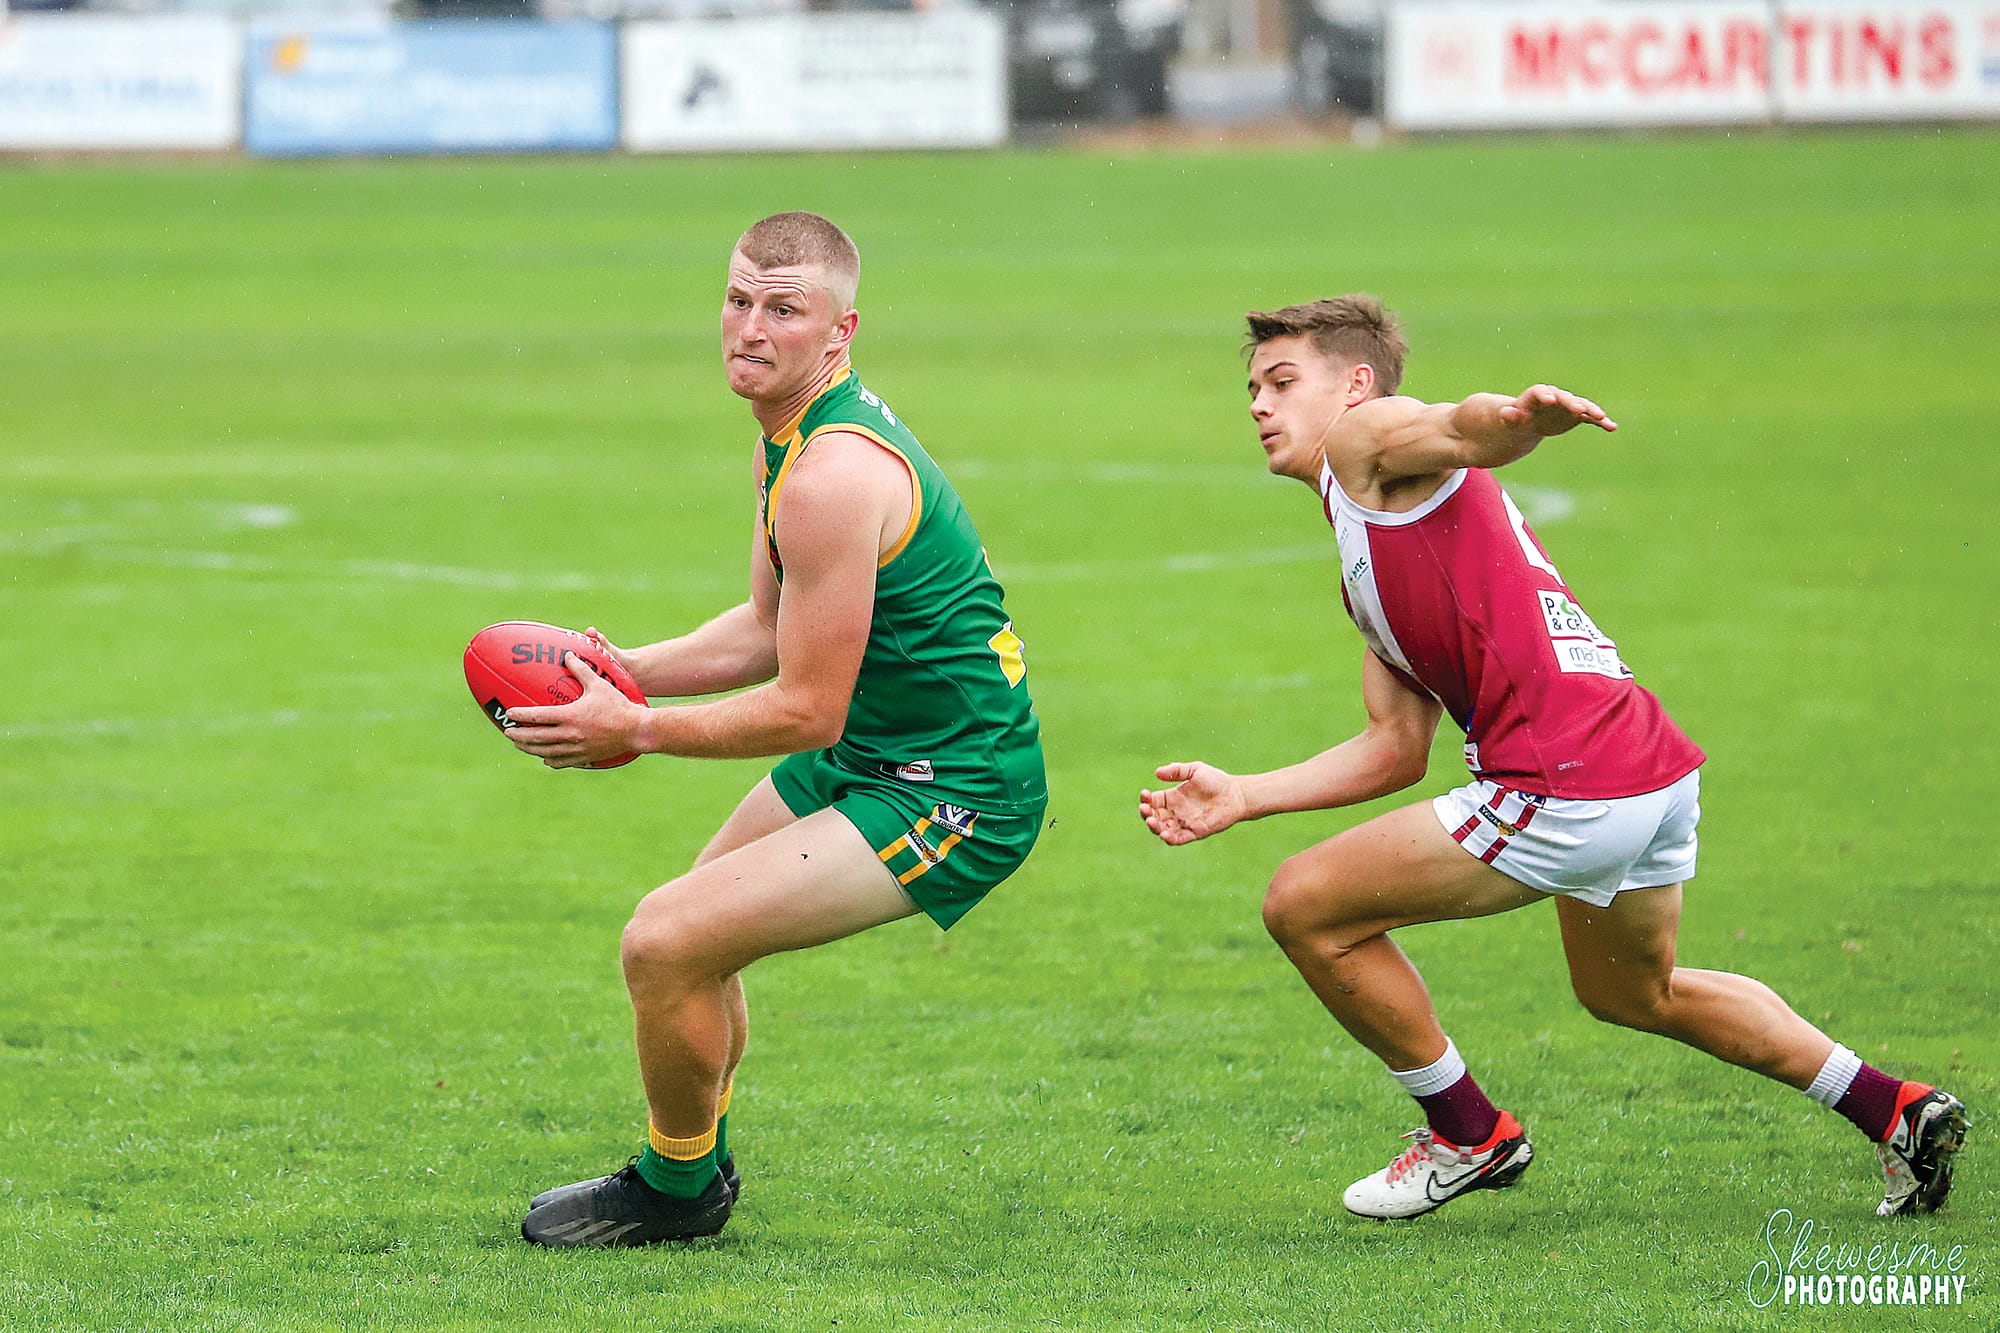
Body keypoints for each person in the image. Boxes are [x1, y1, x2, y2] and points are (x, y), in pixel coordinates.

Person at [1138, 294, 1966, 1220]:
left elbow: (1460, 425)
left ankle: (1467, 1134)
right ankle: (1896, 1108)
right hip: (1647, 769)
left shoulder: (1362, 440)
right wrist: (1243, 794)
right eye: (1252, 387)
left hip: (1564, 782)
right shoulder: (1361, 543)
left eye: (1282, 382)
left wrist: (1519, 419)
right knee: (1631, 991)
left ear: (1357, 385)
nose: (1258, 403)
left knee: (1302, 905)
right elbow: (1395, 748)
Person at [504, 212, 1047, 1247]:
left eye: (782, 310)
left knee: (663, 941)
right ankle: (692, 1165)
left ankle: (677, 1190)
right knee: (691, 947)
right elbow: (764, 629)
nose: (748, 329)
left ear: (839, 333)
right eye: (737, 299)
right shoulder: (788, 440)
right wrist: (619, 670)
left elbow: (806, 705)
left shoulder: (833, 476)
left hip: (953, 790)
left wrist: (638, 728)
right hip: (871, 756)